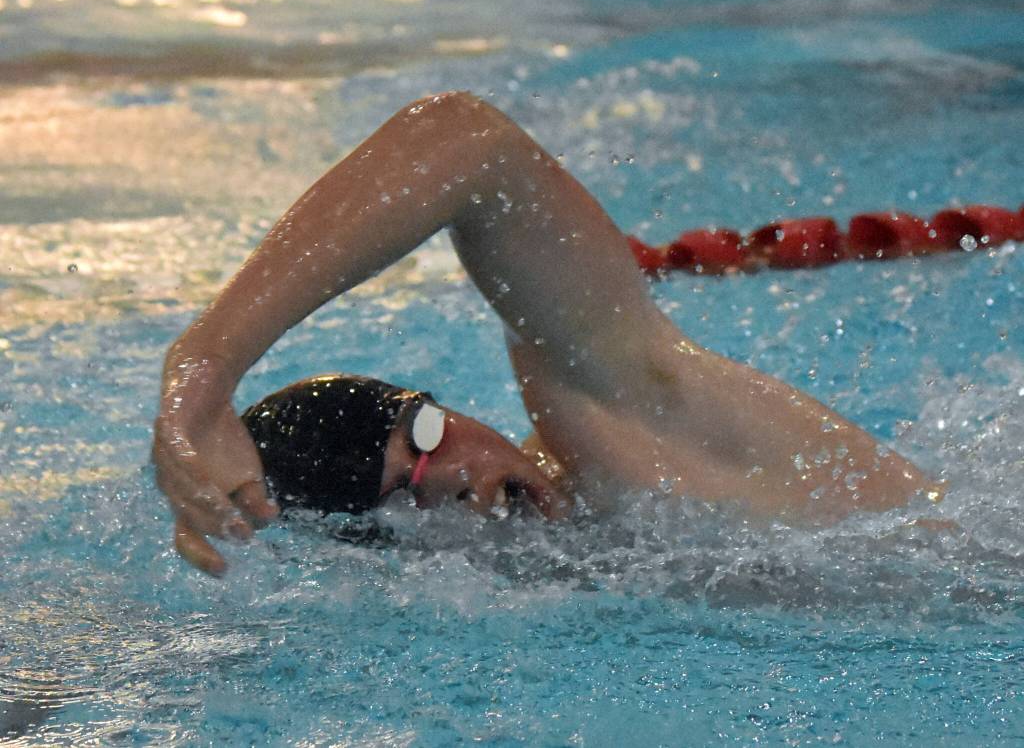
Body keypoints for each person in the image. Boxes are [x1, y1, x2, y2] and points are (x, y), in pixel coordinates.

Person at [153, 91, 943, 576]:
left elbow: (470, 144)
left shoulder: (614, 423)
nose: (451, 481)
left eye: (424, 431)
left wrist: (208, 361)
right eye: (403, 504)